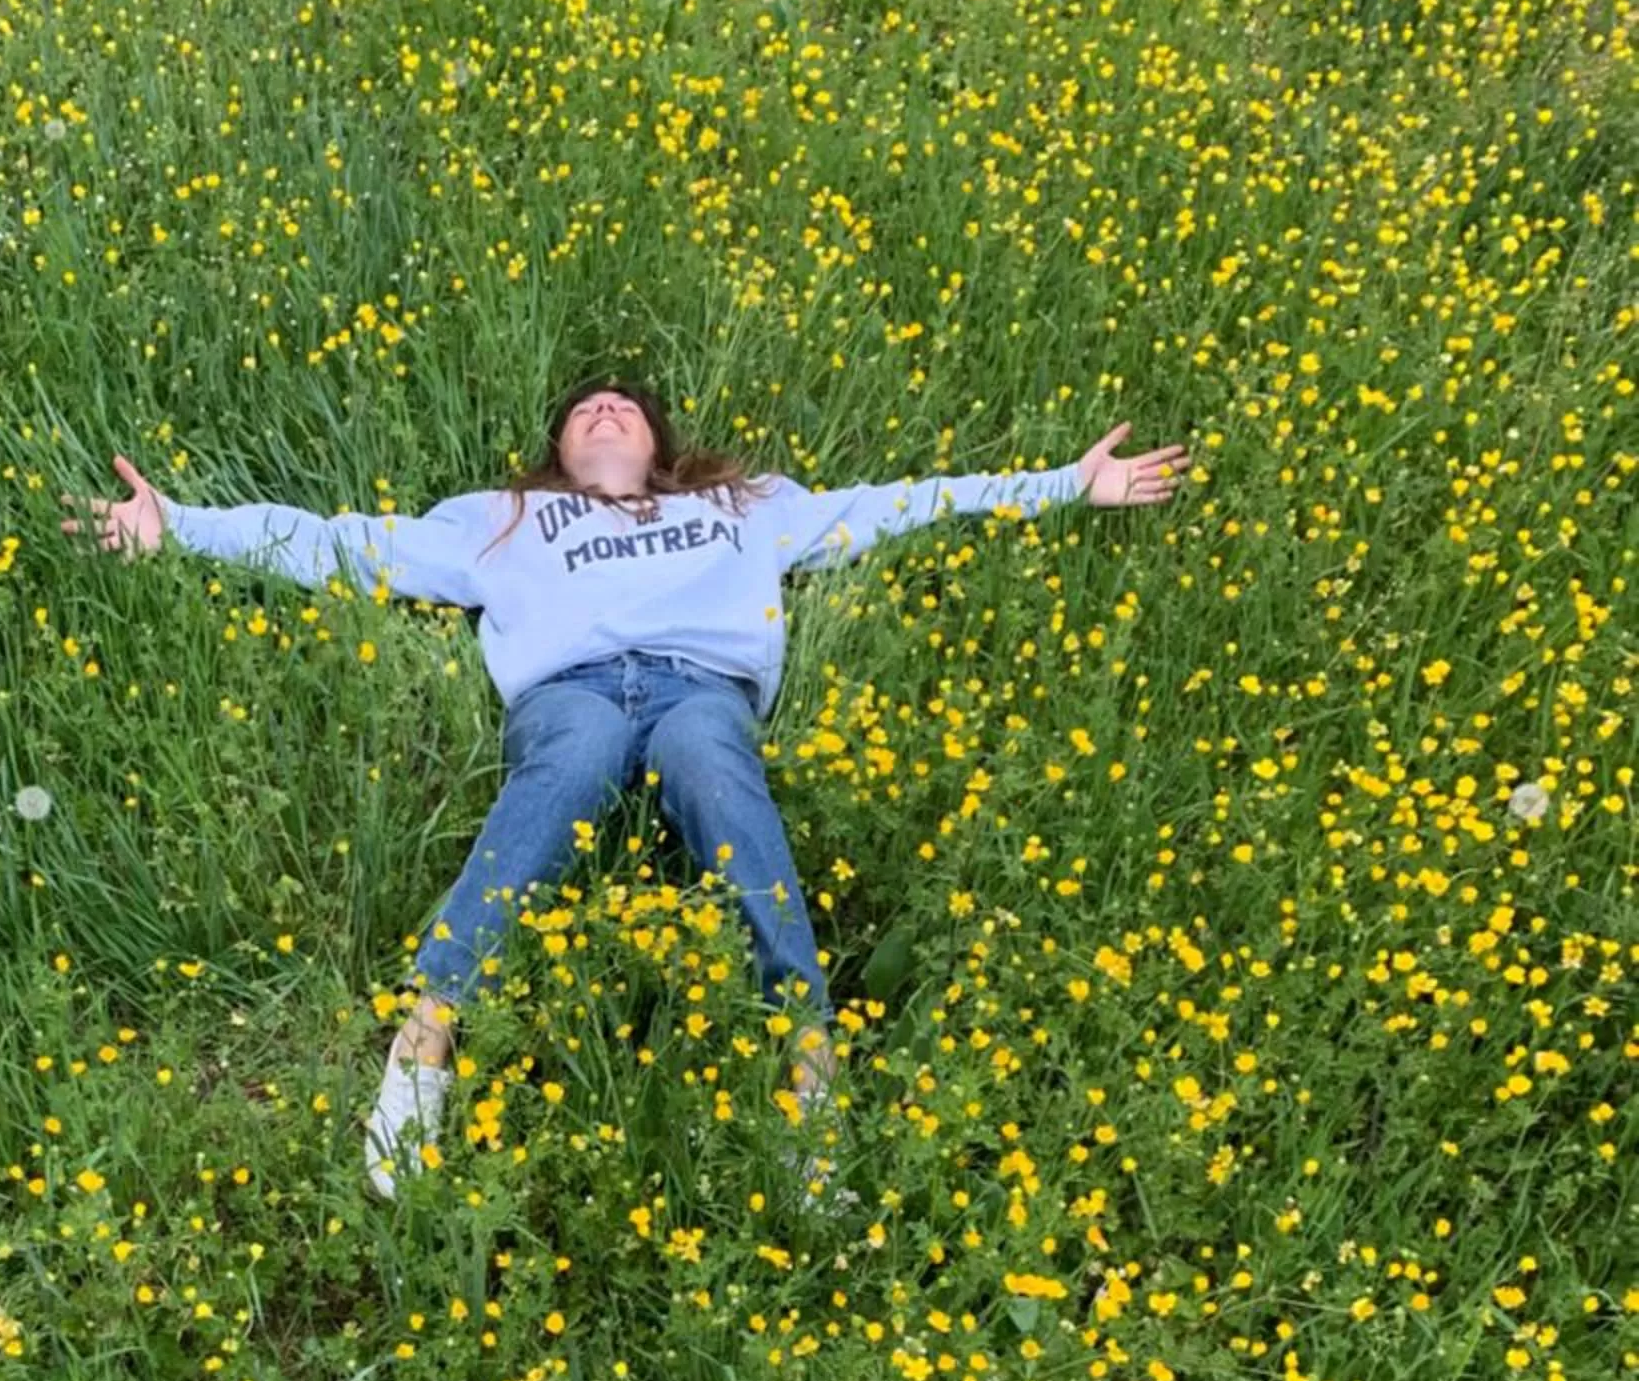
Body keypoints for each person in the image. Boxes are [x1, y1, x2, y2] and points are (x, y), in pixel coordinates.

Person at [66, 382, 1188, 1200]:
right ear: (559, 444)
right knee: (566, 773)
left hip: (705, 686)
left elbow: (899, 502)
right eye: (586, 408)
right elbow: (340, 542)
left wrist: (1064, 487)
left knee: (718, 774)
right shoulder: (496, 521)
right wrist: (182, 531)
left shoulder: (749, 505)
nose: (606, 412)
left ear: (659, 441)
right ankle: (425, 1040)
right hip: (569, 692)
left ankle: (807, 1066)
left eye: (627, 407)